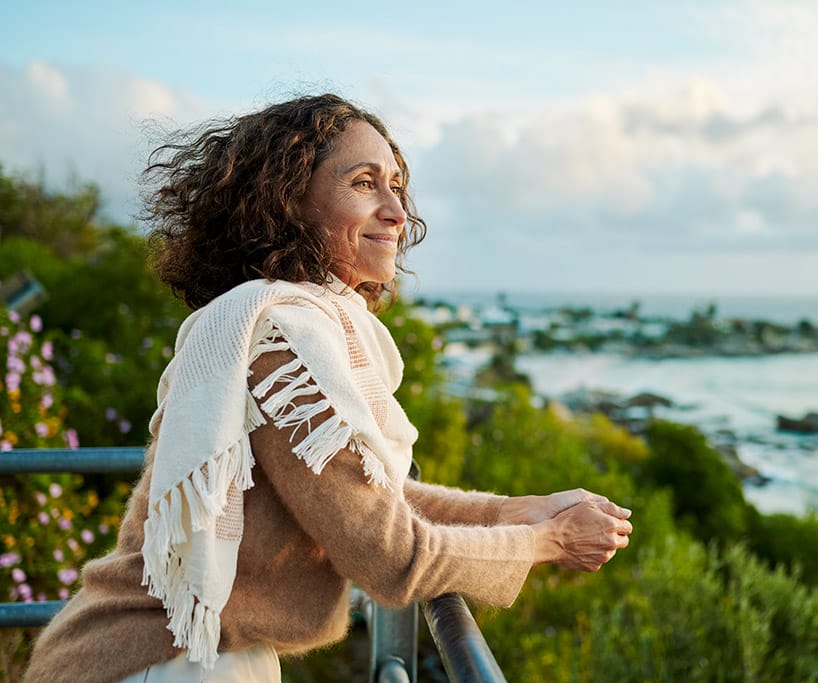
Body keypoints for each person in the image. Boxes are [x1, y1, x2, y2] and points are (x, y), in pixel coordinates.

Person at [23, 93, 633, 683]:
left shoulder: (280, 325)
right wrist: (547, 541)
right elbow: (392, 556)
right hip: (163, 663)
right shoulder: (280, 342)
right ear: (287, 203)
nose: (397, 211)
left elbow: (360, 498)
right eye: (364, 183)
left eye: (396, 185)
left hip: (193, 654)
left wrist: (515, 511)